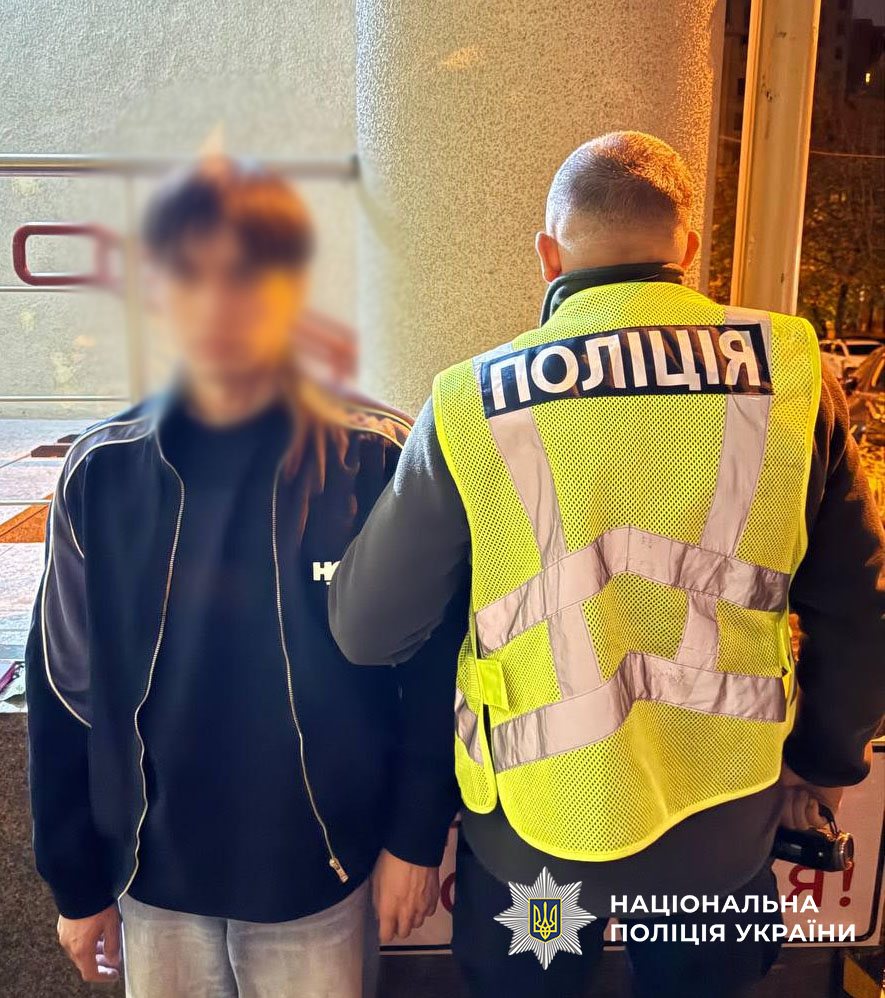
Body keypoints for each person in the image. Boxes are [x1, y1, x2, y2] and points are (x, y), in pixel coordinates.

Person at [328, 132, 885, 997]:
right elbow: (859, 610)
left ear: (548, 254)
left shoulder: (474, 401)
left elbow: (367, 631)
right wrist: (822, 765)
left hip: (539, 844)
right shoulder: (789, 378)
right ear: (687, 250)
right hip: (718, 830)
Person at [26, 158, 460, 997]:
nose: (216, 303)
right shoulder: (101, 471)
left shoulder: (376, 456)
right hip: (150, 880)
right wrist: (75, 883)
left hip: (321, 872)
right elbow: (64, 690)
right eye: (189, 274)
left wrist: (414, 838)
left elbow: (431, 665)